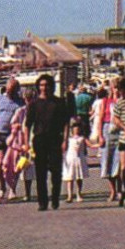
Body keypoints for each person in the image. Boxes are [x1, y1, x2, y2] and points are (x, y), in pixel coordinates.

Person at [24, 74, 73, 211]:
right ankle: (42, 201)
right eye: (41, 85)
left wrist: (65, 140)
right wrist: (26, 143)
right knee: (40, 172)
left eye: (46, 85)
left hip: (55, 139)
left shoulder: (59, 102)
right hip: (39, 139)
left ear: (51, 86)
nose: (44, 88)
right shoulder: (33, 104)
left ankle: (55, 199)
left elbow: (66, 123)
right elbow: (27, 125)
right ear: (38, 87)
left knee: (56, 171)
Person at [63, 120, 87, 203]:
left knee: (79, 177)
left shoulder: (82, 138)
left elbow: (91, 144)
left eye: (78, 129)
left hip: (79, 159)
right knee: (70, 178)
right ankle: (69, 195)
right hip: (70, 159)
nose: (76, 131)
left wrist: (99, 145)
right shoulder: (68, 139)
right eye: (75, 129)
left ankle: (78, 193)